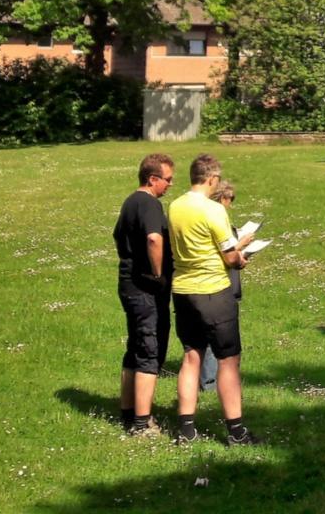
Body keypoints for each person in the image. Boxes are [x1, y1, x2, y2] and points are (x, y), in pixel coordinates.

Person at [168, 153, 259, 446]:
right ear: (211, 179)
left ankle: (186, 430)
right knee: (228, 361)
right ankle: (236, 431)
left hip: (183, 290)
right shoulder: (214, 210)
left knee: (191, 356)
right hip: (214, 292)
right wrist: (241, 259)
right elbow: (231, 256)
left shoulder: (174, 206)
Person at [112, 152, 174, 436]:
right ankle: (141, 423)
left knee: (134, 349)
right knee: (149, 350)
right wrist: (158, 273)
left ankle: (127, 412)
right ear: (153, 179)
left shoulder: (129, 202)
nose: (170, 185)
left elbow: (118, 237)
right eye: (168, 180)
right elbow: (153, 238)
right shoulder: (149, 204)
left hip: (127, 283)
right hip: (145, 289)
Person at [199, 181, 242, 391]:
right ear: (221, 199)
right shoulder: (212, 219)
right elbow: (223, 255)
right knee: (212, 339)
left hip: (226, 286)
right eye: (229, 200)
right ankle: (210, 381)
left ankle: (219, 379)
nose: (230, 205)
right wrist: (240, 246)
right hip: (216, 287)